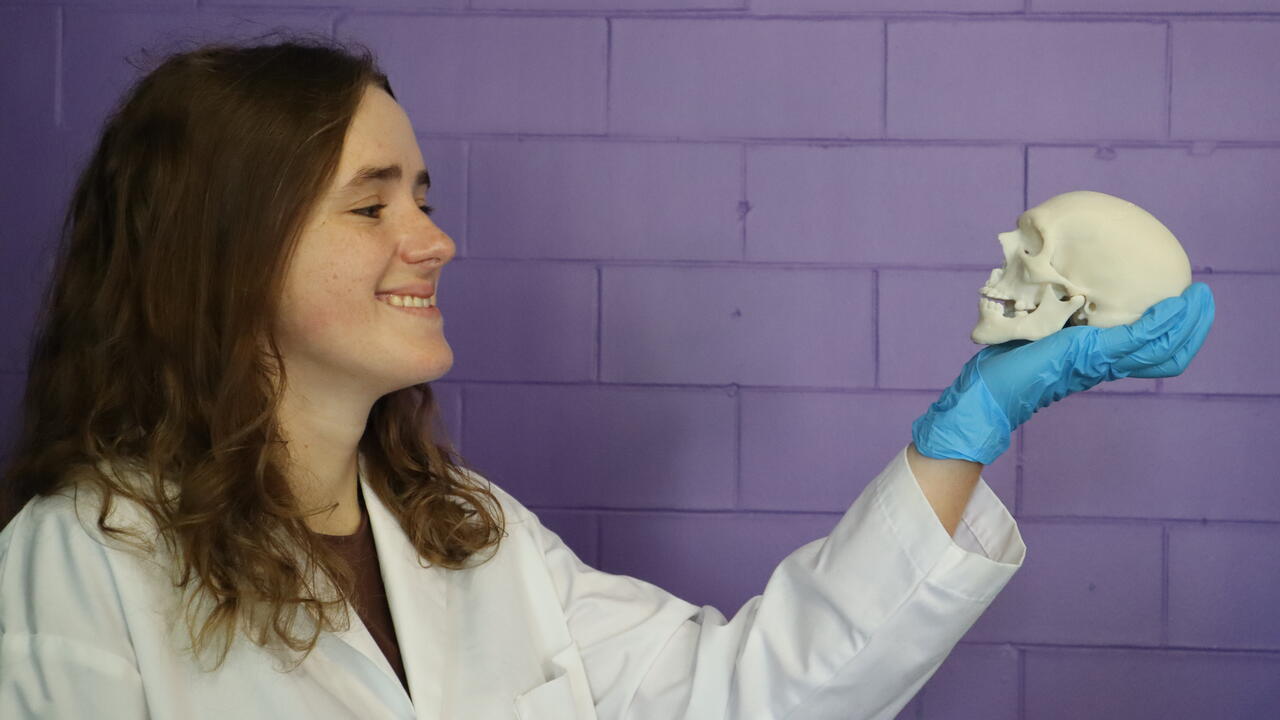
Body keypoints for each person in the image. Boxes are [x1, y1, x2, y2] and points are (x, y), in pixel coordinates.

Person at [0, 33, 1214, 720]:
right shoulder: (77, 565)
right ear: (221, 248)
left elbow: (745, 695)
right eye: (371, 204)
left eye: (424, 198)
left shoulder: (468, 539)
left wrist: (967, 428)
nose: (432, 239)